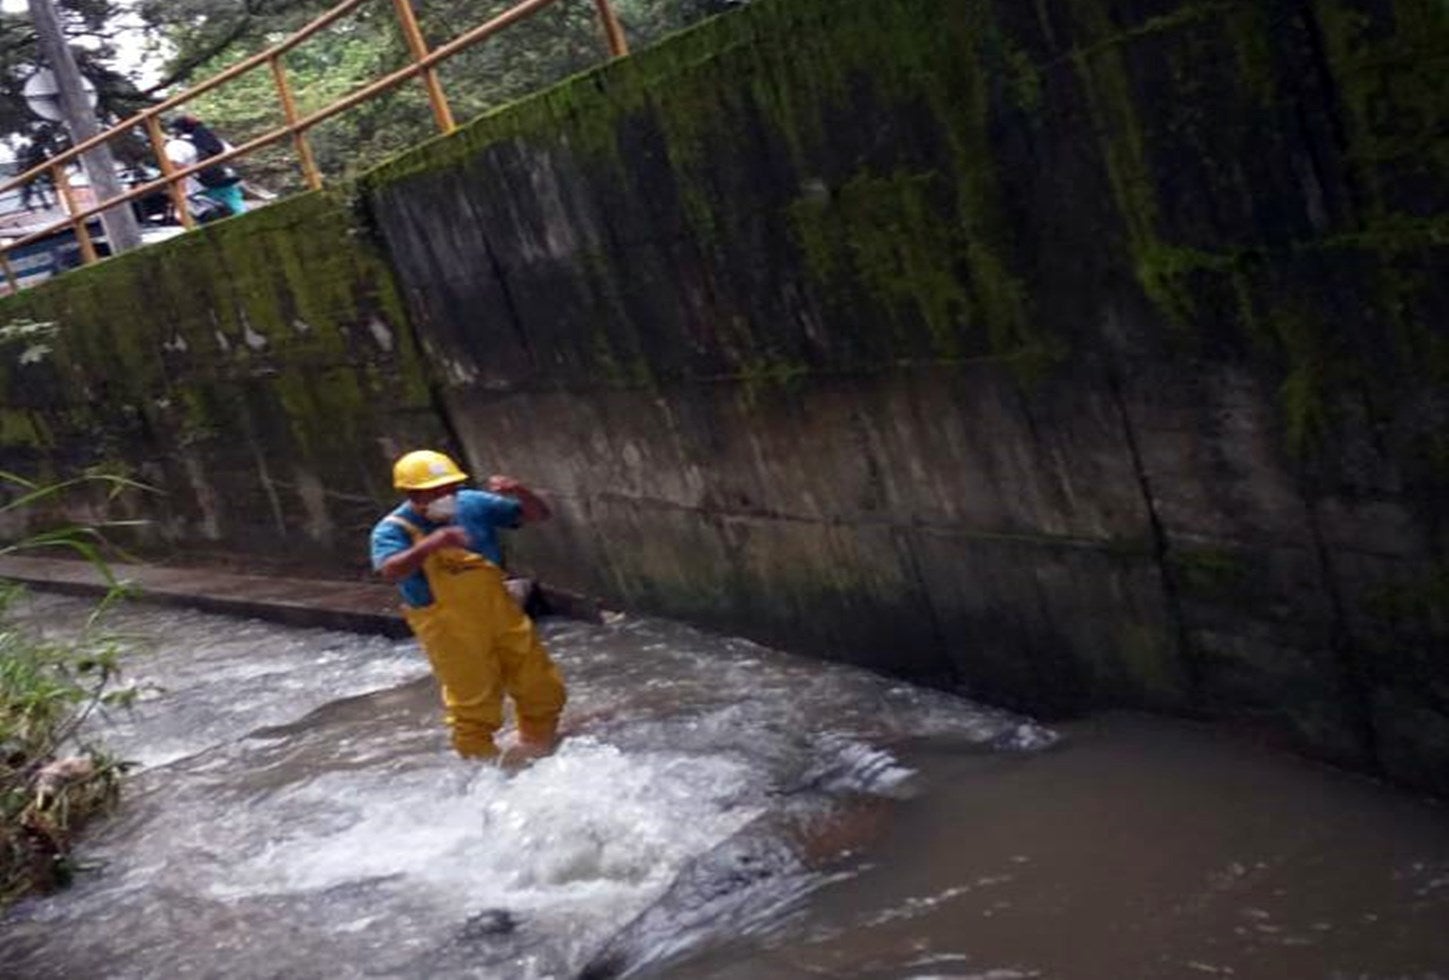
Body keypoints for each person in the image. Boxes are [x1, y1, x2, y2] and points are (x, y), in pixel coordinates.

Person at [370, 449, 567, 763]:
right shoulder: (392, 530)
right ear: (412, 494)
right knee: (473, 705)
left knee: (542, 687)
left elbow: (537, 515)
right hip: (449, 629)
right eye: (435, 492)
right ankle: (483, 770)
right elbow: (390, 570)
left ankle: (538, 749)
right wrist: (431, 545)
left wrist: (519, 491)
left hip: (499, 612)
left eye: (449, 489)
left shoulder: (473, 503)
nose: (446, 497)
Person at [164, 115, 245, 220]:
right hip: (226, 183)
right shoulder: (213, 140)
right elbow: (233, 156)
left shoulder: (175, 145)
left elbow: (177, 170)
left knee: (208, 225)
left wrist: (180, 198)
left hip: (198, 191)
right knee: (239, 216)